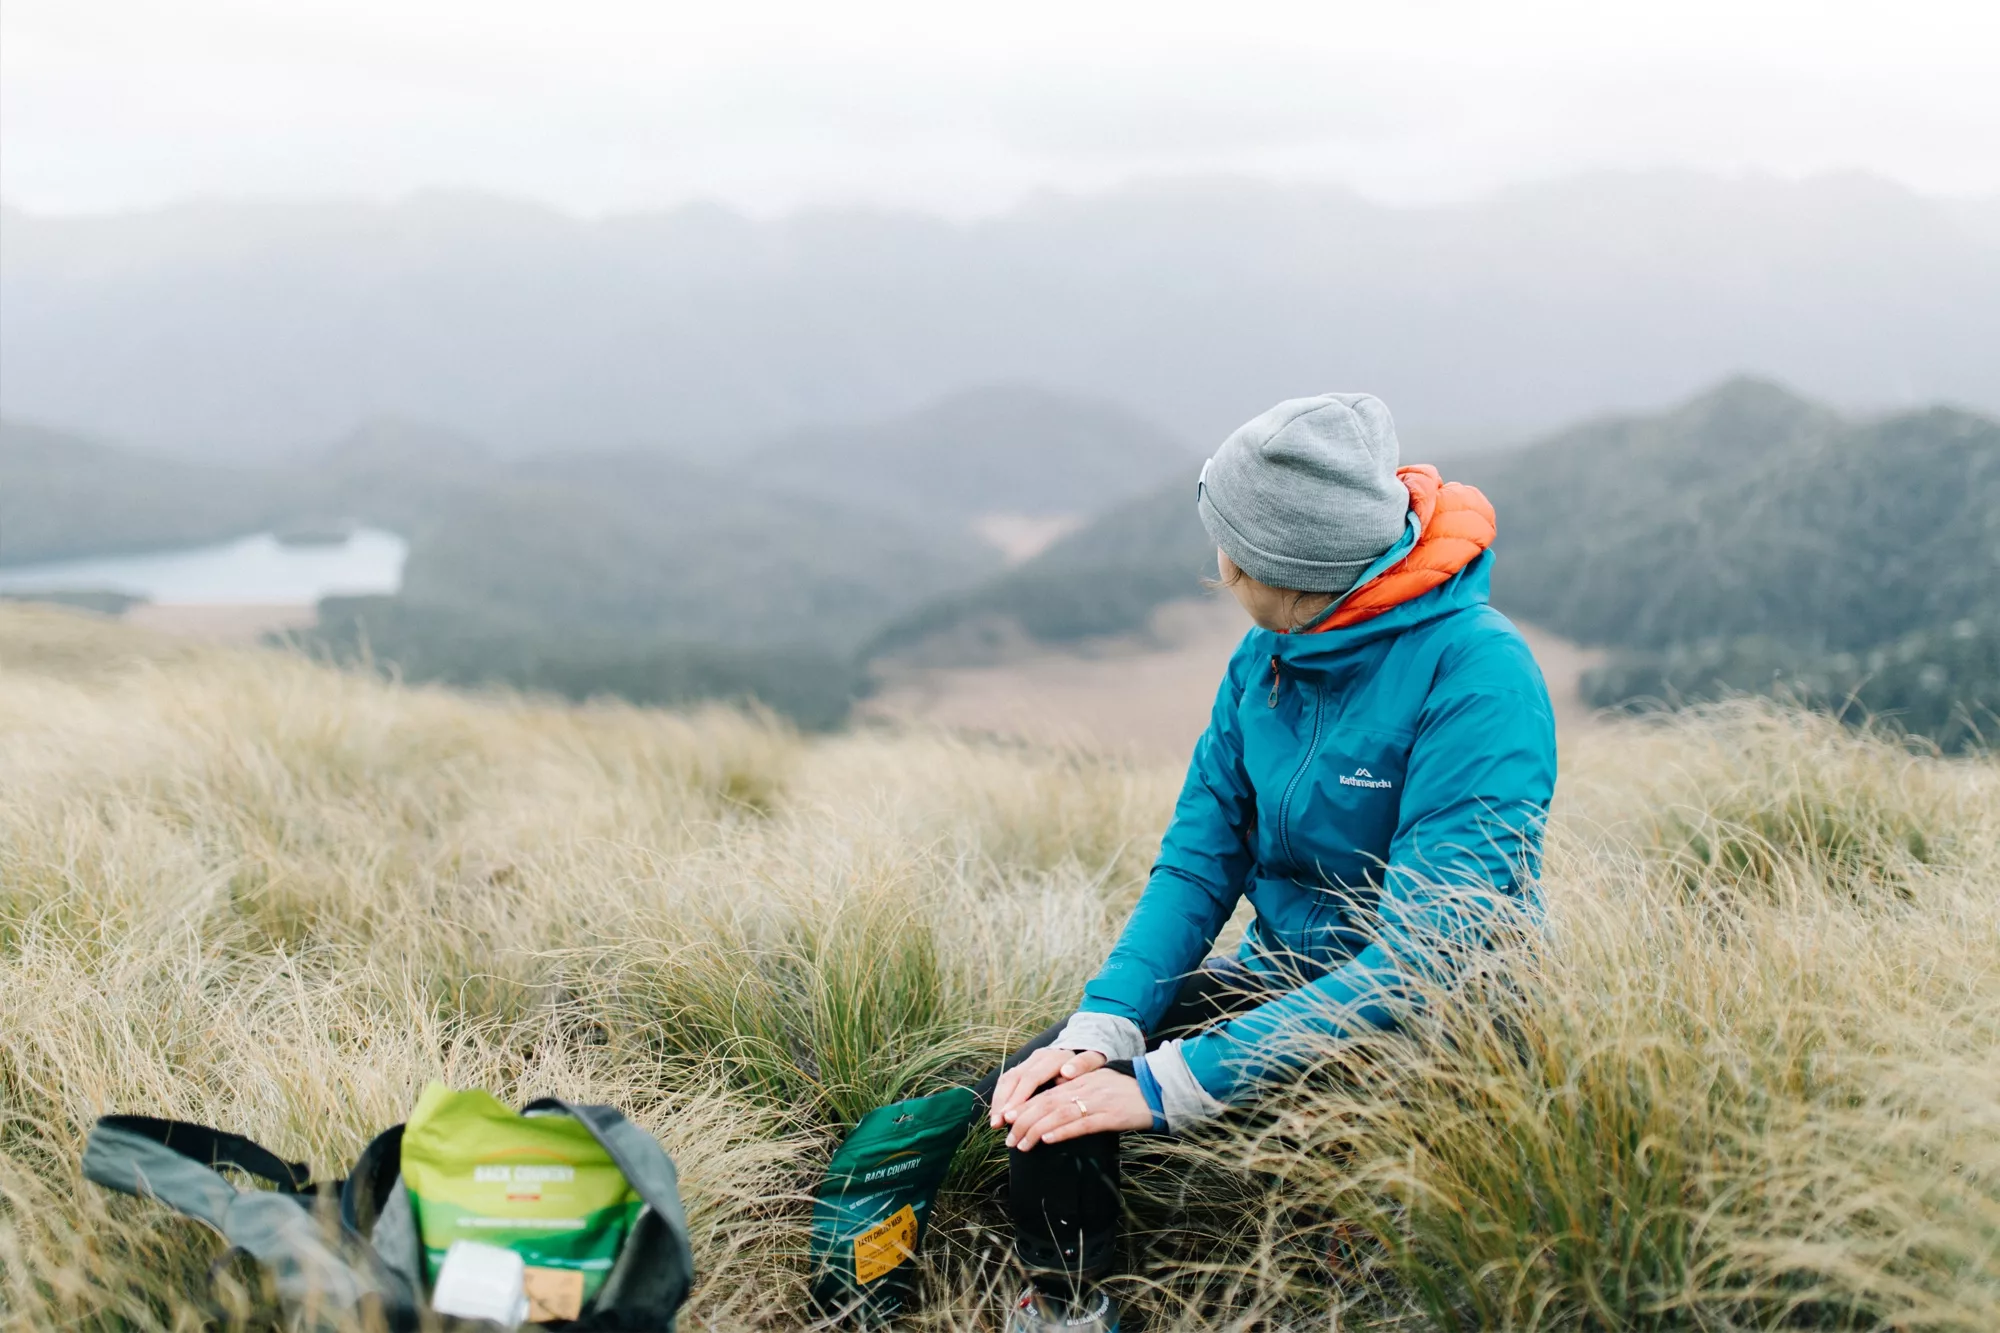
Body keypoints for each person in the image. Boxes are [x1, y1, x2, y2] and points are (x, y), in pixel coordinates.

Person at [975, 393, 1558, 1327]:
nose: (1218, 559)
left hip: (1448, 1038)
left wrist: (1168, 1088)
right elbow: (1198, 865)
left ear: (1277, 568)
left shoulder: (1480, 674)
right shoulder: (1264, 660)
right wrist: (1106, 1030)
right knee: (1055, 1090)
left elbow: (1428, 960)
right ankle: (1069, 1305)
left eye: (1228, 541)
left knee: (1374, 1273)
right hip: (1285, 985)